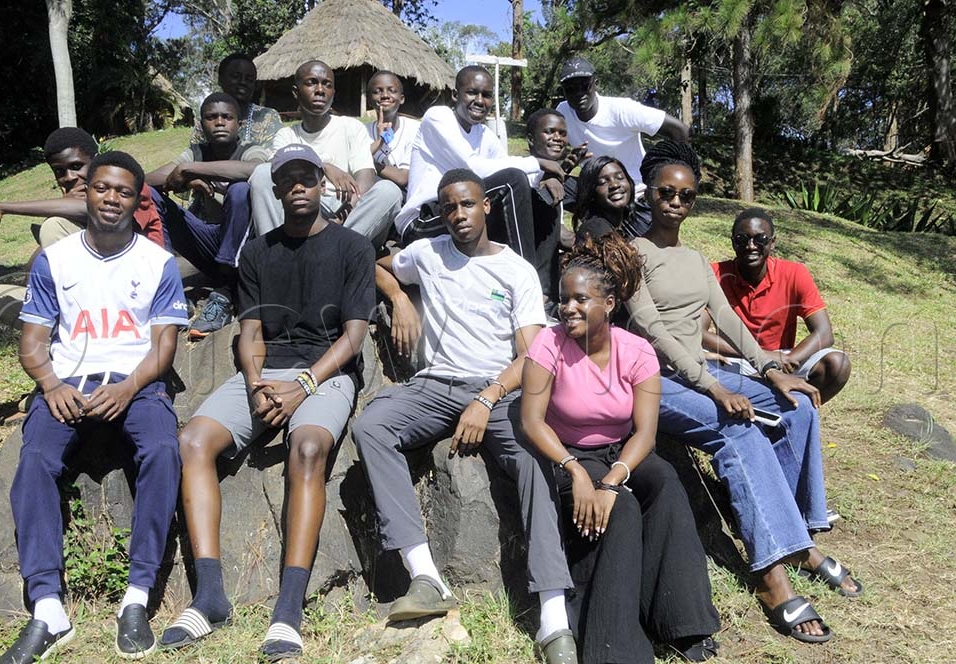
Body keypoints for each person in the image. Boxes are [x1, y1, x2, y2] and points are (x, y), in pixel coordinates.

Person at [622, 140, 863, 645]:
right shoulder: (632, 254)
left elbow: (729, 321)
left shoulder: (694, 260)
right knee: (739, 428)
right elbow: (654, 332)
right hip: (653, 380)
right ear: (650, 192)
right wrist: (712, 386)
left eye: (686, 196)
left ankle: (798, 535)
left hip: (701, 371)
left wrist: (770, 370)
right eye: (666, 192)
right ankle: (773, 576)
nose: (675, 202)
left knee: (797, 405)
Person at [353, 168, 578, 664]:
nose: (458, 214)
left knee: (534, 459)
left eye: (468, 204)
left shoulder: (515, 270)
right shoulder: (428, 253)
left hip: (495, 389)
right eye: (449, 207)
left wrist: (488, 397)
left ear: (487, 207)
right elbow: (377, 262)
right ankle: (425, 576)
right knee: (371, 425)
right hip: (435, 384)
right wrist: (398, 299)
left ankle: (554, 617)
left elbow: (532, 355)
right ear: (440, 212)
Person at [158, 145, 374, 661]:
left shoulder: (352, 247)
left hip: (326, 371)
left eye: (307, 178)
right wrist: (256, 382)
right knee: (192, 440)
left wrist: (303, 384)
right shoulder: (256, 252)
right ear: (275, 190)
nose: (297, 187)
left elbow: (354, 336)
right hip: (265, 371)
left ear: (322, 184)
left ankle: (289, 608)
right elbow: (249, 329)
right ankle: (209, 596)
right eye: (287, 180)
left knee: (306, 450)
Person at [0, 151, 188, 663]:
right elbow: (33, 342)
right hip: (68, 384)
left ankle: (137, 596)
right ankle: (48, 608)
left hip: (137, 385)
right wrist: (50, 383)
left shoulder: (157, 263)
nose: (111, 199)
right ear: (85, 193)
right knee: (35, 462)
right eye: (102, 188)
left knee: (163, 453)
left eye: (124, 192)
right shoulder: (54, 261)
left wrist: (129, 387)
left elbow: (163, 348)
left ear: (136, 199)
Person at [521, 233, 720, 663]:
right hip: (566, 454)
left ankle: (682, 622)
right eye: (563, 298)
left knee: (665, 481)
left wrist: (614, 478)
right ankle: (615, 649)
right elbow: (532, 421)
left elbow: (645, 435)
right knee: (623, 511)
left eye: (580, 299)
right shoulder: (548, 345)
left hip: (620, 453)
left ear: (609, 305)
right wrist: (576, 472)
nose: (568, 308)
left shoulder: (637, 352)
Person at [0, 128, 164, 458]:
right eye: (60, 172)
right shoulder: (68, 222)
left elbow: (90, 215)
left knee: (54, 227)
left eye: (77, 166)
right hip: (65, 315)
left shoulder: (127, 188)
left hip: (123, 317)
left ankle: (67, 377)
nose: (69, 178)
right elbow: (36, 270)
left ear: (96, 161)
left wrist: (2, 206)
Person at [397, 67, 571, 274]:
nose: (480, 100)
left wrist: (548, 177)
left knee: (544, 195)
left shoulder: (484, 134)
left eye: (487, 95)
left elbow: (508, 170)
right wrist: (538, 163)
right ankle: (526, 277)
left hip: (465, 212)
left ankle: (544, 290)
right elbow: (475, 168)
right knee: (511, 180)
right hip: (424, 221)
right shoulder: (438, 117)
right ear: (455, 95)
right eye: (472, 92)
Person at [148, 92, 270, 338]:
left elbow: (256, 169)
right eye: (211, 117)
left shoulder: (249, 149)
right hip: (207, 242)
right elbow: (146, 180)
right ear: (202, 124)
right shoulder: (196, 152)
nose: (220, 122)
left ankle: (225, 292)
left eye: (227, 117)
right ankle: (171, 290)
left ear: (240, 124)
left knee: (240, 190)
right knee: (150, 195)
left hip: (242, 250)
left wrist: (190, 170)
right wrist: (185, 179)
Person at [703, 207, 852, 403]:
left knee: (838, 364)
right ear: (733, 242)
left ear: (772, 242)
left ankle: (797, 411)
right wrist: (762, 357)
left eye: (760, 239)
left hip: (784, 358)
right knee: (690, 362)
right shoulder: (715, 274)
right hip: (735, 358)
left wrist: (789, 359)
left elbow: (824, 333)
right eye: (742, 239)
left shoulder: (794, 273)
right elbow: (699, 333)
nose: (751, 246)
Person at [250, 60, 403, 249]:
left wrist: (341, 217)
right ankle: (274, 255)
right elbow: (276, 177)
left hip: (347, 212)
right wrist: (325, 167)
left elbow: (365, 181)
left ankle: (328, 251)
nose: (320, 90)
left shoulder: (350, 127)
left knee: (388, 191)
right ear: (296, 92)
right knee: (262, 173)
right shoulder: (287, 135)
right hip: (301, 209)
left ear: (333, 94)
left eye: (327, 85)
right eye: (311, 82)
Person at [556, 56, 689, 236]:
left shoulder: (621, 110)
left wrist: (673, 180)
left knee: (642, 254)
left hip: (635, 194)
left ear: (595, 83)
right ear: (563, 91)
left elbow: (679, 130)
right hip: (596, 192)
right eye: (570, 89)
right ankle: (564, 235)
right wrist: (566, 166)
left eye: (584, 86)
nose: (578, 93)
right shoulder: (563, 112)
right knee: (544, 183)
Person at [525, 108, 589, 305]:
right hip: (531, 283)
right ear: (531, 139)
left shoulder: (554, 178)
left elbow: (559, 234)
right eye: (549, 131)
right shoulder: (523, 175)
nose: (557, 138)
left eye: (562, 133)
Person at [190, 52, 283, 149]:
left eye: (249, 79)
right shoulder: (208, 119)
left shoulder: (267, 117)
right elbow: (193, 158)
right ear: (220, 79)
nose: (243, 82)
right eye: (235, 76)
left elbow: (272, 160)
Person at [365, 70, 420, 191]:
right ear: (369, 100)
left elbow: (403, 178)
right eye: (377, 91)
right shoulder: (363, 132)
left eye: (392, 90)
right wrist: (379, 142)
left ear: (401, 99)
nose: (385, 95)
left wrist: (367, 163)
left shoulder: (415, 130)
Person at [572, 155, 640, 242]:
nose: (615, 185)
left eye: (620, 177)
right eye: (602, 182)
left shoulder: (621, 227)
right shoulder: (595, 228)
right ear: (591, 193)